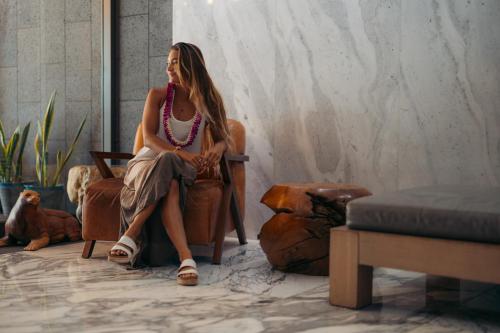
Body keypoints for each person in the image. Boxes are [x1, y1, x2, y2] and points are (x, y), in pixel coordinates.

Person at [107, 42, 231, 286]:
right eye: (168, 63)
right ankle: (186, 257)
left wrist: (216, 149)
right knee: (170, 181)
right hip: (145, 165)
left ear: (190, 65)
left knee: (170, 166)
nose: (169, 68)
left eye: (174, 62)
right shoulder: (157, 95)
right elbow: (150, 138)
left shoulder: (209, 100)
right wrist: (181, 154)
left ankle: (130, 235)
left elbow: (224, 139)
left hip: (183, 171)